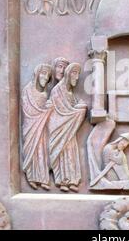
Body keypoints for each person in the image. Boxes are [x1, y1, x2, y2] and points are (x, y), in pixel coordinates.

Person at [48, 63, 87, 192]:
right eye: (74, 74)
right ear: (68, 74)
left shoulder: (69, 92)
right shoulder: (57, 90)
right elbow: (62, 111)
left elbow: (71, 106)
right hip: (59, 126)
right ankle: (61, 181)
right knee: (62, 152)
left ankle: (72, 180)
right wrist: (79, 110)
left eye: (77, 75)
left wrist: (79, 105)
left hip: (69, 129)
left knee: (70, 152)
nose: (76, 78)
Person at [21, 64, 53, 190]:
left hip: (42, 127)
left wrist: (48, 108)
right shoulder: (28, 90)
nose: (45, 77)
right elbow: (27, 110)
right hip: (31, 126)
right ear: (37, 73)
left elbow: (46, 110)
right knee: (32, 150)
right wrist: (45, 112)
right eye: (43, 73)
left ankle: (43, 179)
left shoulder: (45, 93)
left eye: (48, 75)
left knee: (42, 151)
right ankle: (31, 177)